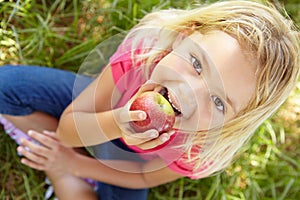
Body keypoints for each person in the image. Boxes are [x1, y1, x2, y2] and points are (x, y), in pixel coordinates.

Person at [0, 0, 299, 199]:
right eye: (196, 63)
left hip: (131, 164)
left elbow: (142, 177)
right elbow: (68, 130)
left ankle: (63, 173)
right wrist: (118, 122)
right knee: (5, 85)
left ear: (234, 122)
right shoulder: (141, 57)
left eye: (219, 103)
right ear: (183, 36)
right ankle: (61, 168)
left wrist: (73, 164)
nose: (188, 93)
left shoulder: (202, 148)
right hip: (106, 109)